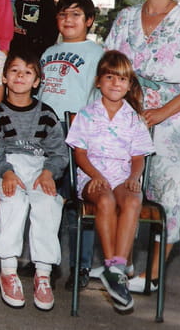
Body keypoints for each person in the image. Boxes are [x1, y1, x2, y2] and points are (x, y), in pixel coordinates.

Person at [104, 0, 180, 293]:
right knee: (121, 188)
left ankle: (152, 277)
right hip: (122, 116)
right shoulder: (125, 18)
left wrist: (162, 112)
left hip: (168, 122)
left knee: (164, 196)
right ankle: (120, 264)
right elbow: (108, 66)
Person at [65, 50, 154, 311]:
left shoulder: (134, 118)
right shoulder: (87, 114)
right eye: (110, 77)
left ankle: (115, 270)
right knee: (105, 200)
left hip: (122, 176)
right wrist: (96, 175)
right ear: (98, 81)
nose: (116, 83)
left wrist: (134, 178)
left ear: (129, 85)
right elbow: (79, 154)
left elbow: (138, 158)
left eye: (122, 79)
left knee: (133, 200)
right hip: (93, 175)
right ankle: (111, 265)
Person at [0, 50, 67, 311]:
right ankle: (8, 270)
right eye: (14, 70)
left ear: (37, 81)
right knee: (13, 202)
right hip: (9, 167)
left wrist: (49, 172)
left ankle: (43, 274)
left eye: (27, 72)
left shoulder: (47, 114)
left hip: (39, 167)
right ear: (4, 77)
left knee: (48, 203)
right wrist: (6, 172)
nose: (20, 76)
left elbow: (59, 153)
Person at [38, 0, 103, 289]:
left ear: (89, 20)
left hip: (77, 133)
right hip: (46, 132)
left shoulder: (97, 53)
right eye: (63, 14)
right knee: (47, 199)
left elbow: (101, 97)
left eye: (76, 14)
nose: (68, 19)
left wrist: (87, 129)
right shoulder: (48, 52)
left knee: (78, 203)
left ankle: (81, 266)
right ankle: (45, 261)